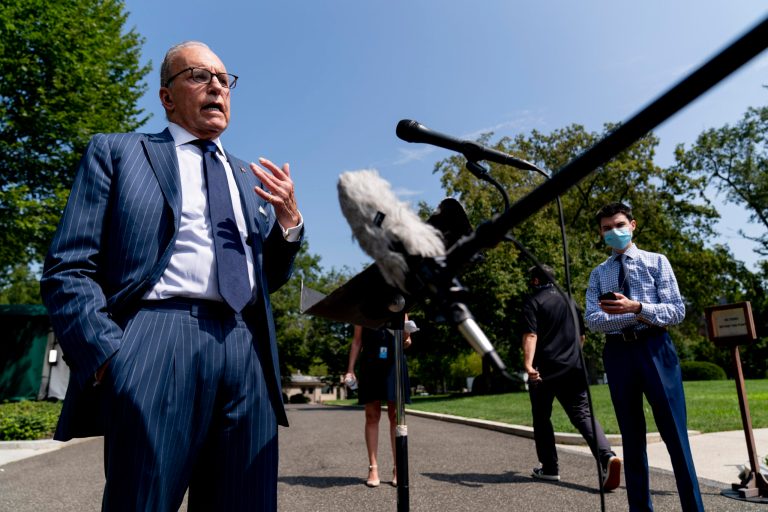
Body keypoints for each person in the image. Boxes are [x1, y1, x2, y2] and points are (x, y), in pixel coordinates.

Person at [40, 41, 303, 511]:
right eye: (200, 76)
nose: (217, 87)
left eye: (224, 79)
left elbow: (266, 280)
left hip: (245, 348)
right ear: (167, 96)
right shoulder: (118, 152)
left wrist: (288, 225)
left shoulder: (249, 178)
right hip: (155, 339)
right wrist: (108, 356)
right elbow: (69, 266)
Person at [585, 202, 703, 511]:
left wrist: (636, 308)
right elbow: (593, 320)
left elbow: (676, 311)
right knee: (631, 437)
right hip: (618, 353)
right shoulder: (598, 274)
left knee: (675, 434)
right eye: (606, 228)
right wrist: (637, 315)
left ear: (633, 225)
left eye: (619, 225)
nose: (614, 231)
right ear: (600, 233)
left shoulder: (656, 262)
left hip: (655, 348)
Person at [521, 264, 621, 491]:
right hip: (573, 369)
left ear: (535, 281)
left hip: (544, 370)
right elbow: (581, 337)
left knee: (542, 418)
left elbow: (531, 335)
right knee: (583, 414)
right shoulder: (570, 301)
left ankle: (549, 468)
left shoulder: (533, 301)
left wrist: (528, 364)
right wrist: (572, 358)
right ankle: (607, 456)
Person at [344, 318, 414, 488]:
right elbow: (357, 341)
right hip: (370, 362)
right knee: (371, 415)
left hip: (394, 362)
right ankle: (373, 468)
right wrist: (350, 369)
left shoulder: (399, 304)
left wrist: (406, 336)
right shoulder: (362, 307)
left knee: (396, 416)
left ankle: (398, 468)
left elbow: (407, 342)